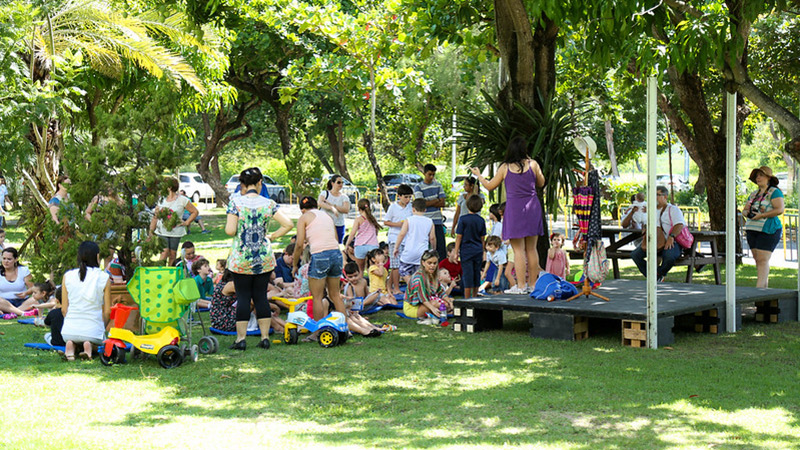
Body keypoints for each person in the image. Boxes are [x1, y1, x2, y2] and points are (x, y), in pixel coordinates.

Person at [225, 167, 294, 350]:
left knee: (243, 297)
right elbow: (288, 224)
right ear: (260, 183)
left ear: (242, 184)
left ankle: (241, 339)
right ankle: (264, 338)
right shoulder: (269, 203)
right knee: (261, 296)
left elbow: (230, 230)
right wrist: (271, 236)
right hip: (263, 257)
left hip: (241, 258)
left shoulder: (235, 203)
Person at [472, 137, 546, 293]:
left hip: (514, 210)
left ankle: (520, 286)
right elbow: (541, 182)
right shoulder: (533, 164)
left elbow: (490, 186)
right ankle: (533, 285)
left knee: (518, 250)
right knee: (532, 249)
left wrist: (479, 175)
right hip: (532, 208)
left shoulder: (505, 168)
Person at [292, 196, 346, 322]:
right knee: (335, 295)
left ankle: (317, 331)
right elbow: (336, 239)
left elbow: (299, 244)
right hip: (336, 253)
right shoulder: (327, 216)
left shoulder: (304, 217)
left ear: (302, 209)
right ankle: (345, 328)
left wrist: (295, 264)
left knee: (317, 297)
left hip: (320, 255)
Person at [60, 241, 112, 361]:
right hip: (93, 330)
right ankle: (88, 347)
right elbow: (108, 311)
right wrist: (102, 326)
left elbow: (64, 309)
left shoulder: (68, 276)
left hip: (68, 330)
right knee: (97, 342)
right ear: (97, 257)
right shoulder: (103, 277)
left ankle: (70, 346)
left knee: (75, 337)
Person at [630, 185, 688, 282]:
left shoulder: (673, 209)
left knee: (669, 256)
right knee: (635, 255)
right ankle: (654, 276)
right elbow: (646, 223)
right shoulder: (651, 210)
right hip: (654, 241)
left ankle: (658, 274)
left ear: (665, 197)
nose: (654, 197)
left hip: (671, 241)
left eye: (657, 195)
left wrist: (671, 237)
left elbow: (679, 225)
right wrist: (645, 228)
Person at [743, 165, 785, 288]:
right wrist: (747, 213)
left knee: (762, 260)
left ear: (768, 178)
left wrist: (762, 215)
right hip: (753, 229)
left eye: (761, 175)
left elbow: (779, 209)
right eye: (756, 176)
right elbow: (745, 209)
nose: (758, 178)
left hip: (768, 229)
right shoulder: (753, 194)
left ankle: (758, 290)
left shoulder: (774, 192)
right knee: (758, 260)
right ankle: (764, 291)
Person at [149, 177, 199, 265]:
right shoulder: (161, 200)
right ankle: (161, 272)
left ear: (169, 187)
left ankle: (170, 273)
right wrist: (151, 231)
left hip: (176, 231)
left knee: (172, 254)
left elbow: (195, 212)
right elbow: (155, 217)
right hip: (162, 230)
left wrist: (186, 222)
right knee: (164, 252)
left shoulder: (182, 200)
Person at [393, 199, 436, 285]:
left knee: (403, 270)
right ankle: (418, 288)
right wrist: (433, 249)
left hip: (409, 251)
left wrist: (396, 247)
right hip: (422, 252)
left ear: (413, 209)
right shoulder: (429, 221)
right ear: (425, 209)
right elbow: (432, 238)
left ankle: (412, 286)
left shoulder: (409, 220)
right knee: (421, 274)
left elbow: (401, 234)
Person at [453, 195, 486, 299]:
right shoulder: (481, 220)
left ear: (467, 205)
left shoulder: (463, 219)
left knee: (467, 274)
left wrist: (456, 251)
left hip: (466, 251)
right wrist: (483, 250)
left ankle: (467, 298)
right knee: (476, 273)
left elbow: (459, 236)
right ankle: (475, 296)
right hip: (477, 250)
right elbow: (482, 238)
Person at [383, 184, 413, 295]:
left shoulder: (411, 207)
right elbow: (386, 222)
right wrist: (398, 224)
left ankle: (391, 286)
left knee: (405, 263)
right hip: (394, 238)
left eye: (410, 197)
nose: (408, 199)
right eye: (406, 197)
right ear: (399, 196)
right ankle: (396, 288)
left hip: (407, 239)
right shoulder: (393, 207)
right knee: (395, 265)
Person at [414, 164, 447, 260]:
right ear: (424, 173)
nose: (431, 177)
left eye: (433, 175)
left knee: (440, 248)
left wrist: (428, 201)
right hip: (424, 221)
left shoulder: (438, 185)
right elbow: (421, 204)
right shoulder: (418, 187)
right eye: (429, 174)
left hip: (437, 221)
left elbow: (443, 203)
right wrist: (436, 200)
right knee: (423, 248)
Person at [403, 250, 447, 322]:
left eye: (434, 263)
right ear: (423, 263)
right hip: (412, 308)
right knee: (436, 304)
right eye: (429, 263)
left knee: (447, 303)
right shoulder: (418, 277)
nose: (432, 265)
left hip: (424, 303)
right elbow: (422, 298)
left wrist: (449, 301)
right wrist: (433, 308)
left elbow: (440, 292)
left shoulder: (432, 275)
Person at [347, 198, 381, 273]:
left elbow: (353, 233)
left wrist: (347, 244)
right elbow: (376, 232)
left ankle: (361, 283)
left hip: (360, 245)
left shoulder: (359, 219)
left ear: (359, 208)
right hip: (373, 245)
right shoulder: (373, 219)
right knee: (374, 269)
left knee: (360, 270)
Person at [0, 247, 35, 319]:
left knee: (34, 300)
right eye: (4, 258)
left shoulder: (23, 270)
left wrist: (26, 293)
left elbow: (33, 288)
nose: (6, 261)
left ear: (16, 259)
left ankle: (11, 313)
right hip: (4, 302)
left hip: (22, 302)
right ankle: (22, 313)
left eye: (9, 259)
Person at [318, 174, 351, 244]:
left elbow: (346, 209)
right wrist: (331, 208)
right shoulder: (325, 193)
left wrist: (333, 205)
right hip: (325, 224)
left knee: (337, 245)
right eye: (338, 182)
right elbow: (320, 203)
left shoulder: (344, 197)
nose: (341, 184)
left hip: (338, 225)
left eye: (342, 183)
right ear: (332, 183)